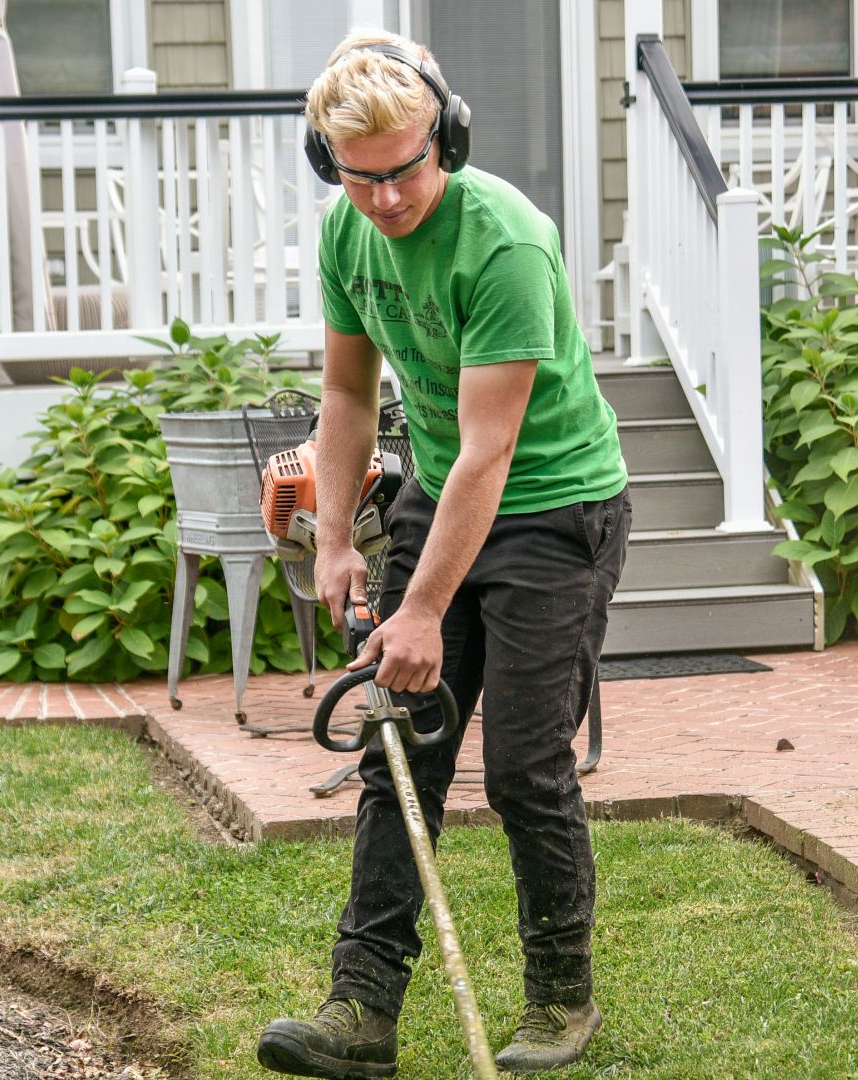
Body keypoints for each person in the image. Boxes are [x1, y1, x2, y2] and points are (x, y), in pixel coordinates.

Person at [254, 30, 631, 1080]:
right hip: (440, 493)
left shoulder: (504, 241)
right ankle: (360, 1010)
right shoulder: (349, 231)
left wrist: (420, 611)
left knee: (521, 764)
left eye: (403, 169)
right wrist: (332, 538)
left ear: (446, 139)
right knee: (397, 748)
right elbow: (344, 394)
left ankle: (561, 998)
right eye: (355, 176)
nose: (381, 199)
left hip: (555, 508)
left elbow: (489, 450)